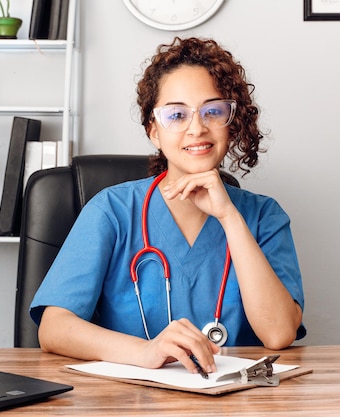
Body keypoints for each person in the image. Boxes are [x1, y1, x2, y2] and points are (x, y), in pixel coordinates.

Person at [30, 37, 305, 376]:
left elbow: (278, 334)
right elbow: (53, 328)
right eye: (176, 115)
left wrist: (229, 217)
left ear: (231, 124)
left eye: (213, 111)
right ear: (153, 131)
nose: (197, 128)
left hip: (239, 402)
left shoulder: (264, 216)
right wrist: (145, 351)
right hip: (131, 403)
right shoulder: (112, 211)